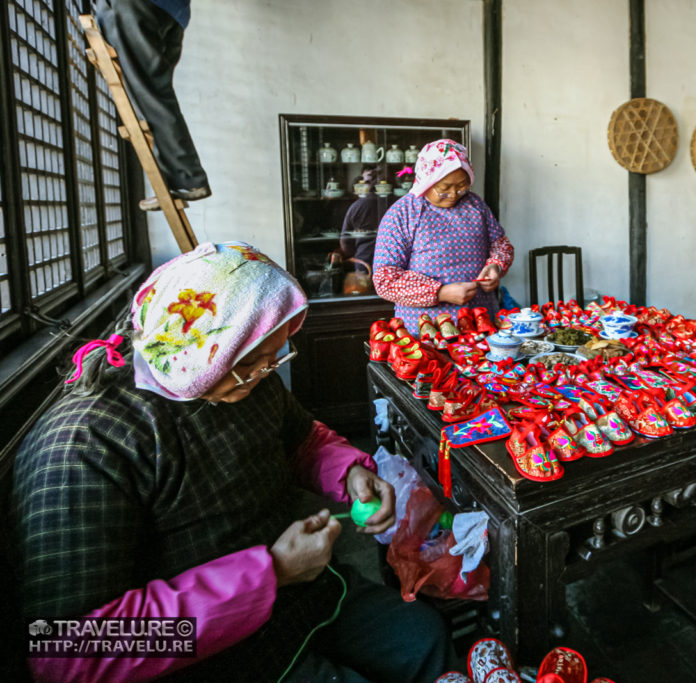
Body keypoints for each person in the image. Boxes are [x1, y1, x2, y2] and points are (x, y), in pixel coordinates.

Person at [12, 242, 450, 682]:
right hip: (212, 655)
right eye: (252, 361)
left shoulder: (244, 380)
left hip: (301, 596)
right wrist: (271, 572)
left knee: (425, 636)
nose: (265, 372)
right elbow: (70, 650)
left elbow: (301, 437)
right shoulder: (84, 445)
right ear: (197, 348)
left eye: (273, 354)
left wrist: (350, 472)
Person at [372, 139, 513, 330]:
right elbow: (385, 279)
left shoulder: (475, 205)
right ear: (427, 180)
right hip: (427, 328)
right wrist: (441, 293)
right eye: (444, 188)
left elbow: (500, 244)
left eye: (462, 185)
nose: (454, 193)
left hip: (481, 320)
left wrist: (496, 265)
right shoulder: (402, 214)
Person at [95, 0, 211, 211]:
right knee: (155, 92)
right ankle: (183, 178)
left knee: (147, 92)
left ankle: (188, 178)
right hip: (174, 13)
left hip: (136, 6)